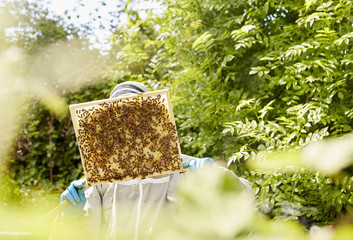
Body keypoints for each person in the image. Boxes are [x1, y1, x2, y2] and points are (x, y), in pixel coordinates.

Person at [60, 81, 251, 239]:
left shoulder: (186, 169)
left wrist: (217, 178)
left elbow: (245, 201)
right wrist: (69, 217)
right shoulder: (100, 184)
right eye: (118, 122)